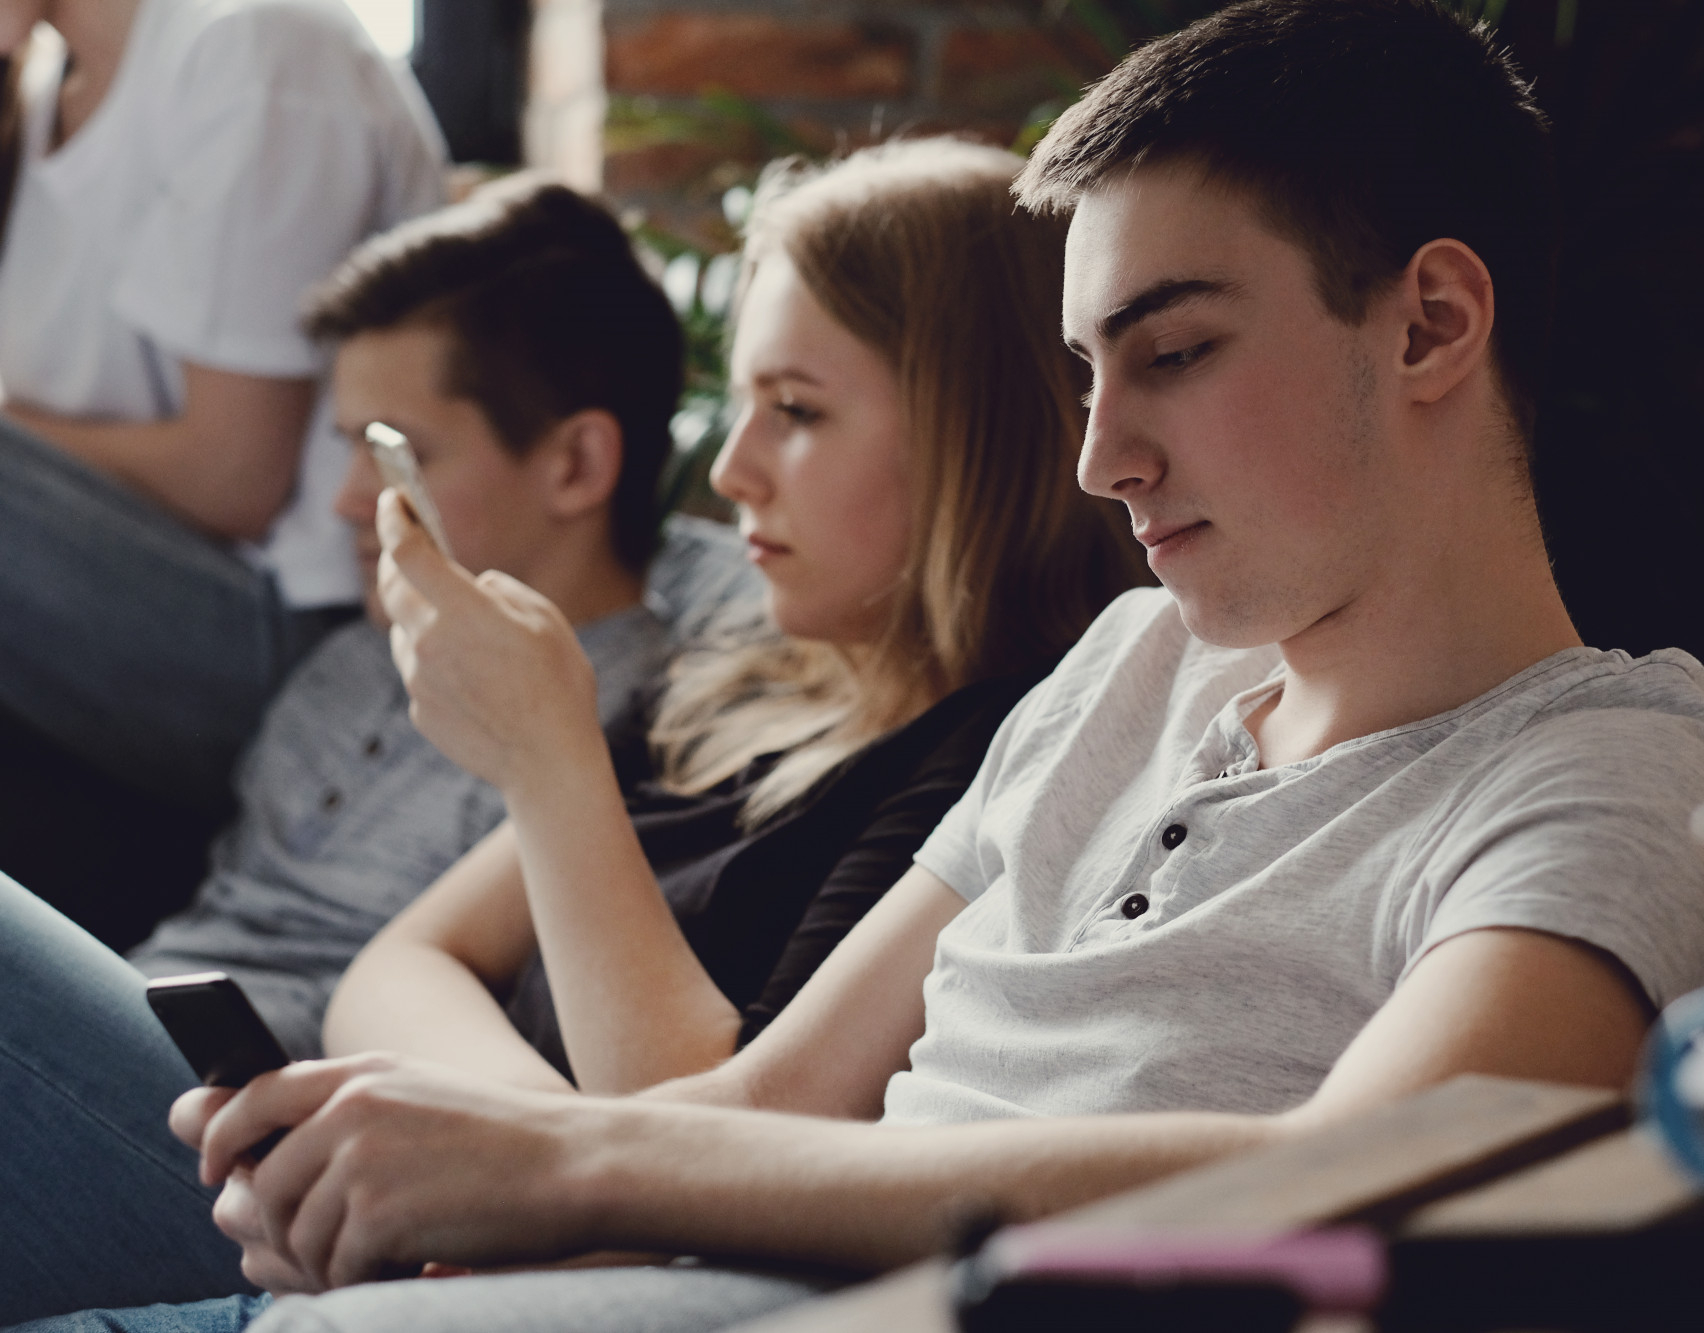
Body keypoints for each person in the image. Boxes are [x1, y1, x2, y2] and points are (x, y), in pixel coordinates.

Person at [19, 3, 1704, 1330]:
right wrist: (456, 1171)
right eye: (1091, 376)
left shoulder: (1616, 761)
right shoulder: (1132, 662)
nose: (1104, 458)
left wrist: (564, 1162)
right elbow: (759, 1106)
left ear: (1433, 322)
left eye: (1174, 352)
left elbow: (1392, 1173)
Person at [0, 136, 1146, 1326]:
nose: (734, 472)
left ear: (982, 431)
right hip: (439, 1209)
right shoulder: (737, 678)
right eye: (740, 406)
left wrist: (551, 768)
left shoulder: (997, 752)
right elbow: (399, 963)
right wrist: (510, 1165)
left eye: (796, 411)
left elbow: (725, 1149)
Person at [126, 177, 762, 1061]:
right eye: (346, 443)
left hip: (249, 1114)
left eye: (396, 451)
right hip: (113, 1017)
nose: (349, 501)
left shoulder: (627, 729)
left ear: (576, 463)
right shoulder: (352, 660)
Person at [0, 0, 447, 827]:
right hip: (144, 606)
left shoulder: (260, 48)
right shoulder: (36, 100)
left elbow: (233, 477)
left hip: (294, 633)